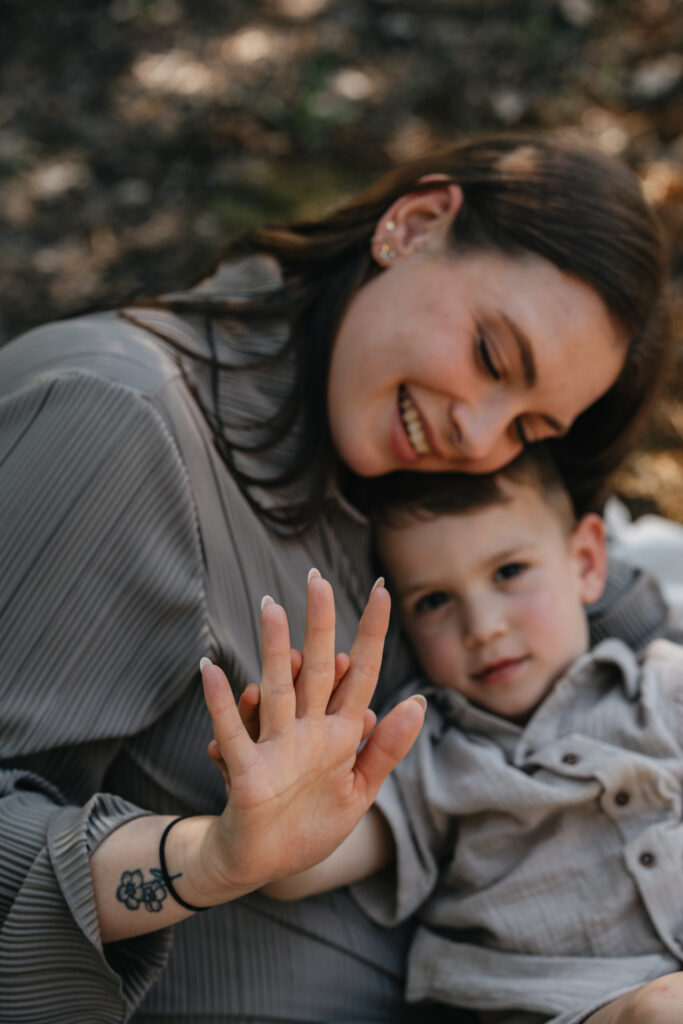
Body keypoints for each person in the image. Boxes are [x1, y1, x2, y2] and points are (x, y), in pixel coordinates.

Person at [0, 131, 674, 1022]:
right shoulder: (119, 426)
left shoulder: (383, 436)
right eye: (490, 356)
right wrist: (207, 858)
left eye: (528, 428)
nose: (479, 439)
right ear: (415, 223)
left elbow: (594, 596)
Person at [263, 446, 683, 1024]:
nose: (483, 627)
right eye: (434, 601)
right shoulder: (426, 752)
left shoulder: (663, 686)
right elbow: (302, 860)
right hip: (564, 1008)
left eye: (509, 572)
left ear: (586, 562)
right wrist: (283, 811)